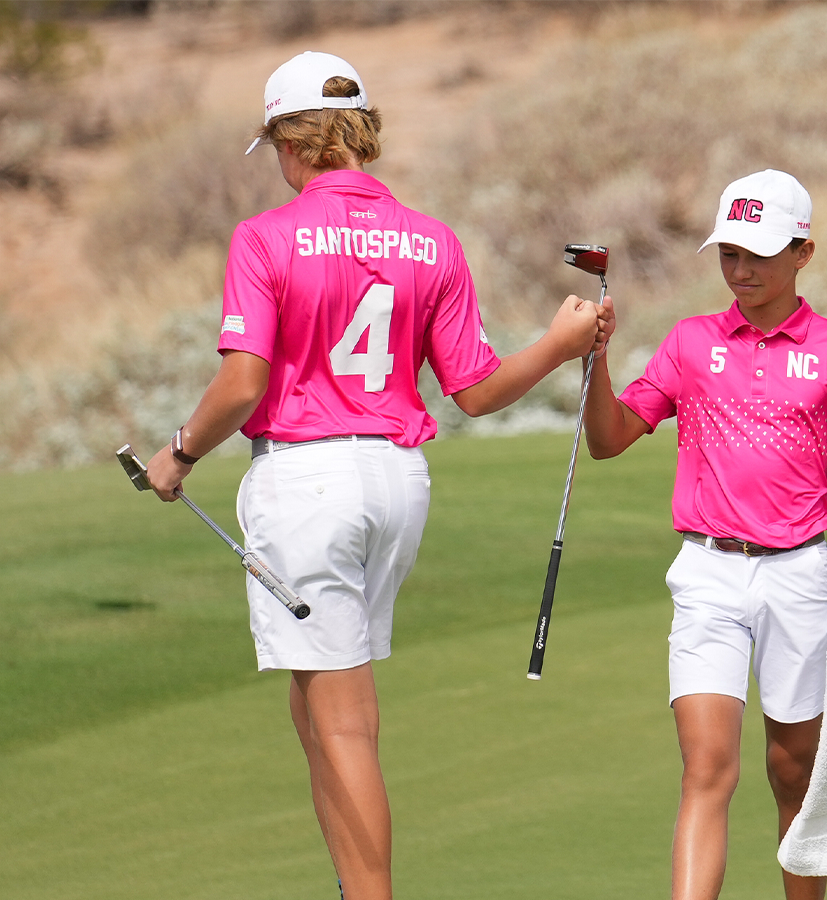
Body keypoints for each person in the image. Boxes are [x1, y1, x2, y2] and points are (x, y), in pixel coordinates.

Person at [143, 51, 606, 900]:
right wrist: (556, 346)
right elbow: (474, 389)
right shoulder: (431, 238)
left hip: (308, 483)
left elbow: (243, 383)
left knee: (343, 721)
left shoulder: (266, 238)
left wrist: (179, 452)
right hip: (397, 481)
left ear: (292, 143)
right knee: (314, 704)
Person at [581, 169, 827, 900]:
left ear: (803, 253)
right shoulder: (691, 343)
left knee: (794, 775)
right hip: (707, 575)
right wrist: (594, 359)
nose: (742, 270)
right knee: (707, 767)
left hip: (798, 576)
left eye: (759, 253)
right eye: (730, 252)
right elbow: (608, 439)